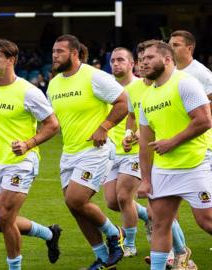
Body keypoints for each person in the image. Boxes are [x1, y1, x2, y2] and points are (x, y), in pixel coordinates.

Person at [0, 38, 62, 270]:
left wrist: (29, 143)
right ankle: (49, 235)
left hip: (21, 162)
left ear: (11, 60)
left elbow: (52, 125)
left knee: (4, 218)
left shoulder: (28, 91)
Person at [47, 34, 128, 269]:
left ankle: (115, 234)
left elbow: (123, 101)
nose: (55, 55)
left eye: (60, 51)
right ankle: (104, 259)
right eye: (53, 51)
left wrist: (104, 127)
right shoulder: (54, 83)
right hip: (69, 151)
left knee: (76, 199)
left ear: (74, 53)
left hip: (96, 149)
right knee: (74, 207)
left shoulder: (94, 76)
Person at [137, 40, 212, 270]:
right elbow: (145, 144)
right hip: (164, 170)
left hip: (194, 164)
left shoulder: (185, 83)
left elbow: (204, 121)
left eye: (149, 58)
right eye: (141, 59)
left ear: (167, 59)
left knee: (206, 221)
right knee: (160, 224)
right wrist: (146, 179)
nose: (143, 63)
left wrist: (172, 142)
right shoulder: (147, 97)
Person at [103, 47, 149, 258]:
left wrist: (137, 134)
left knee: (123, 197)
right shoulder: (107, 88)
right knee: (113, 202)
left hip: (135, 151)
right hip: (112, 151)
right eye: (113, 61)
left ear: (132, 64)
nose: (116, 64)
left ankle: (129, 244)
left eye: (121, 60)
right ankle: (148, 216)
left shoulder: (143, 86)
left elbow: (149, 115)